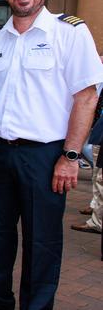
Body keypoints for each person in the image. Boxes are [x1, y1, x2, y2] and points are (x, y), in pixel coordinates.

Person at [0, 0, 103, 310]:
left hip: (45, 155)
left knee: (42, 240)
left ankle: (36, 306)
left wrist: (71, 156)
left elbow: (86, 97)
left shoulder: (69, 33)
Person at [72, 53, 103, 235]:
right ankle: (95, 209)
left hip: (98, 133)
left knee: (100, 178)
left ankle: (97, 221)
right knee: (96, 175)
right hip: (95, 131)